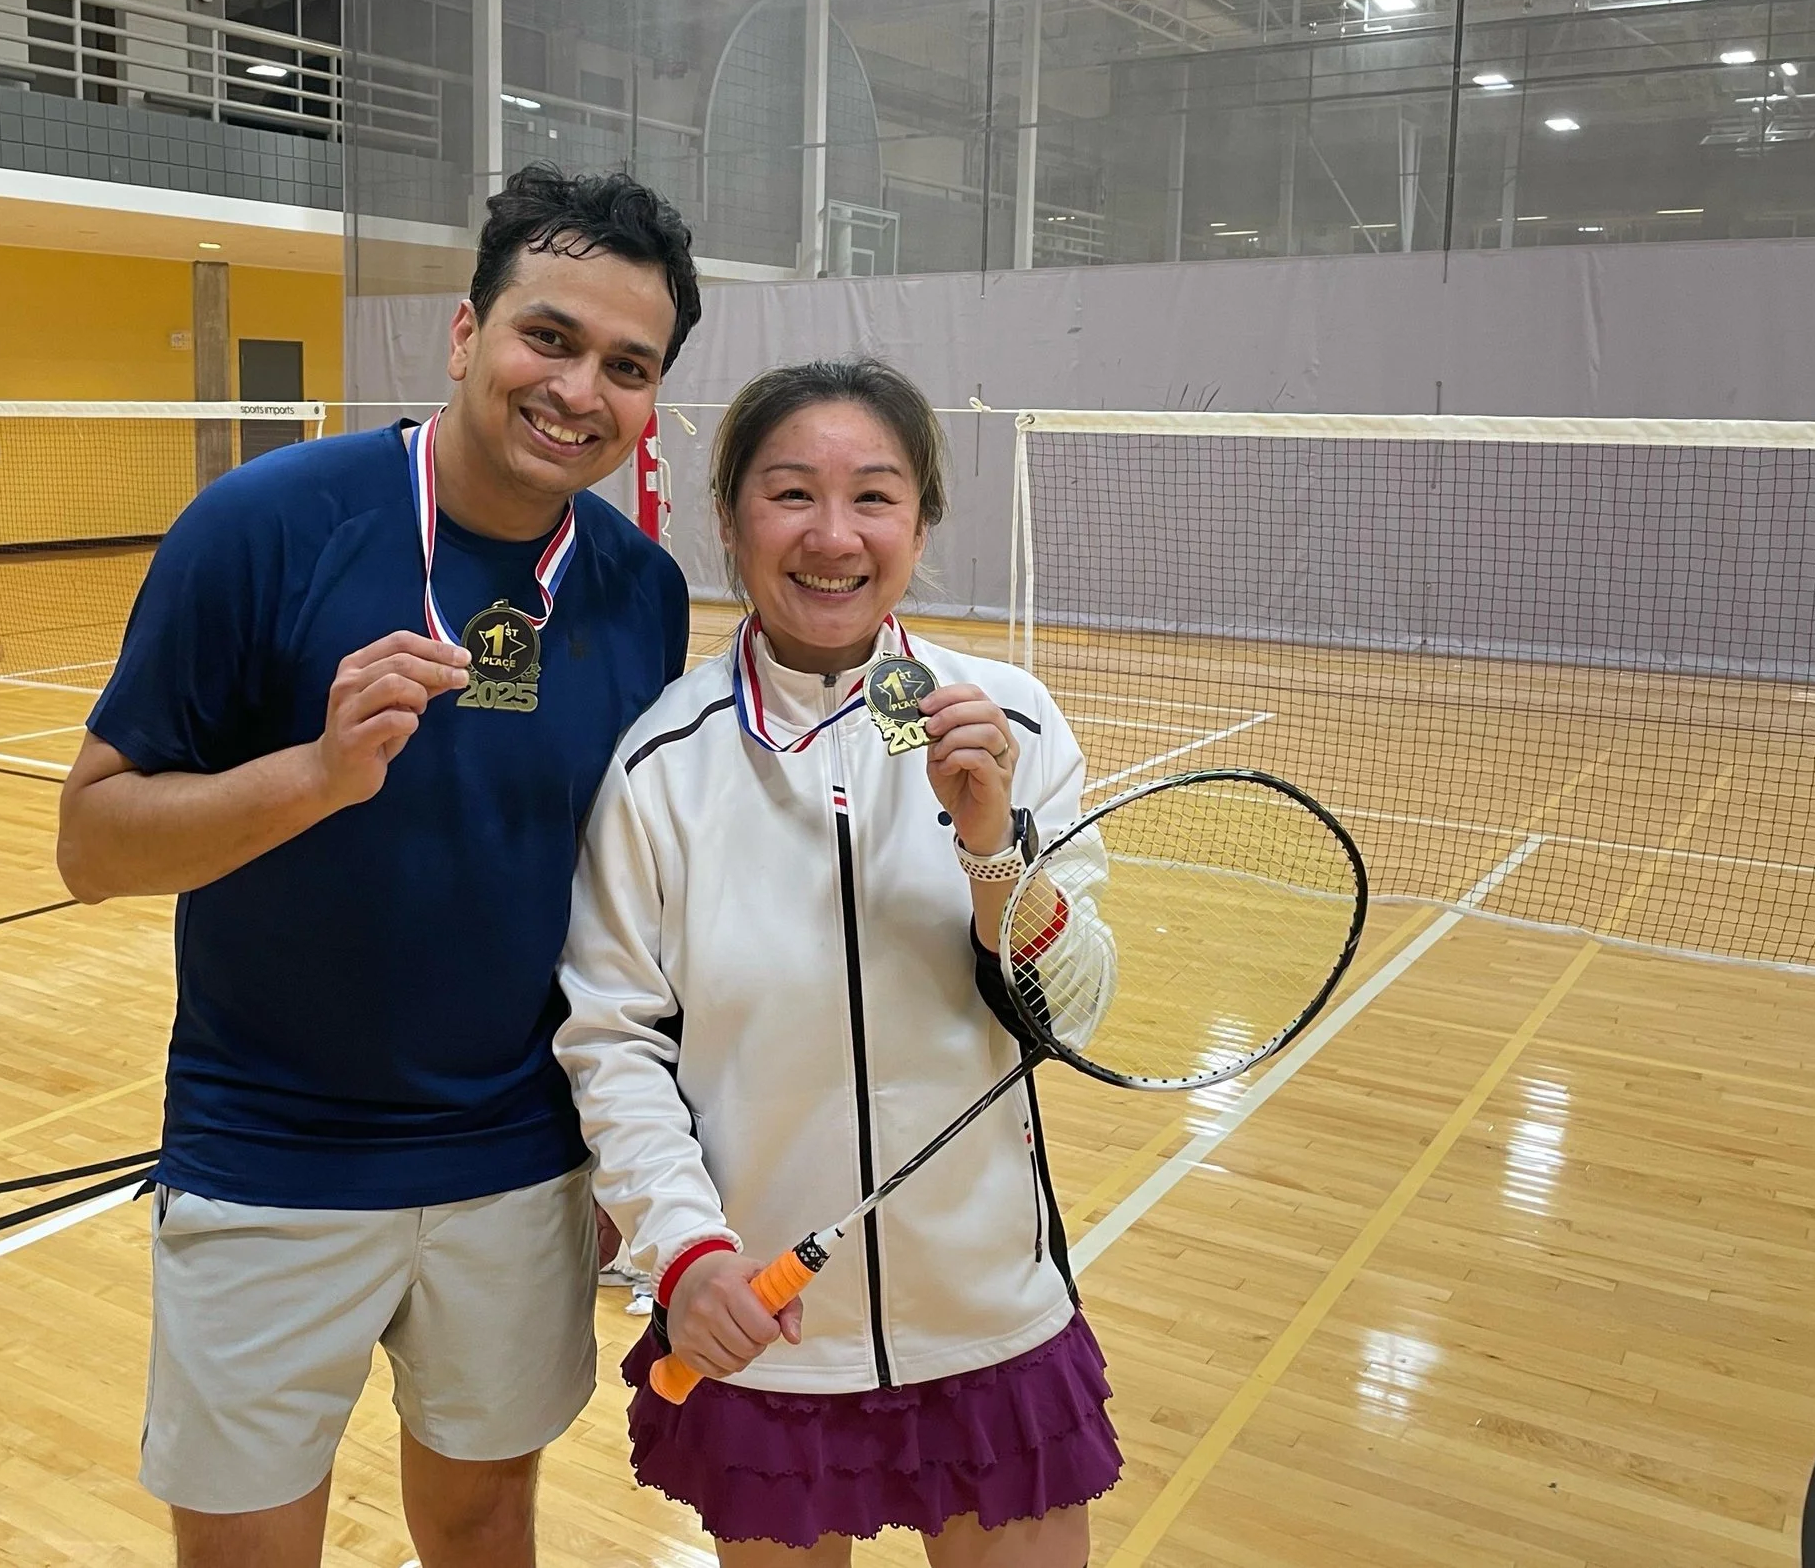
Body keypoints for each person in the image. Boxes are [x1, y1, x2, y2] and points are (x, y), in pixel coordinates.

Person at [55, 164, 701, 1567]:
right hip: (269, 1152)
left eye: (626, 364)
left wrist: (621, 1159)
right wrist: (317, 773)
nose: (579, 386)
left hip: (520, 1163)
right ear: (466, 333)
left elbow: (621, 893)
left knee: (483, 1524)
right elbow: (91, 842)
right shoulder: (263, 527)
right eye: (550, 335)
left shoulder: (641, 592)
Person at [555, 358, 1122, 1567]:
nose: (831, 536)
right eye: (789, 494)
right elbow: (612, 1041)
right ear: (729, 521)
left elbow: (1075, 1009)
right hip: (763, 1323)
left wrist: (991, 851)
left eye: (873, 496)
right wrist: (684, 1250)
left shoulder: (1011, 724)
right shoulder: (661, 764)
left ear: (920, 523)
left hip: (987, 1316)